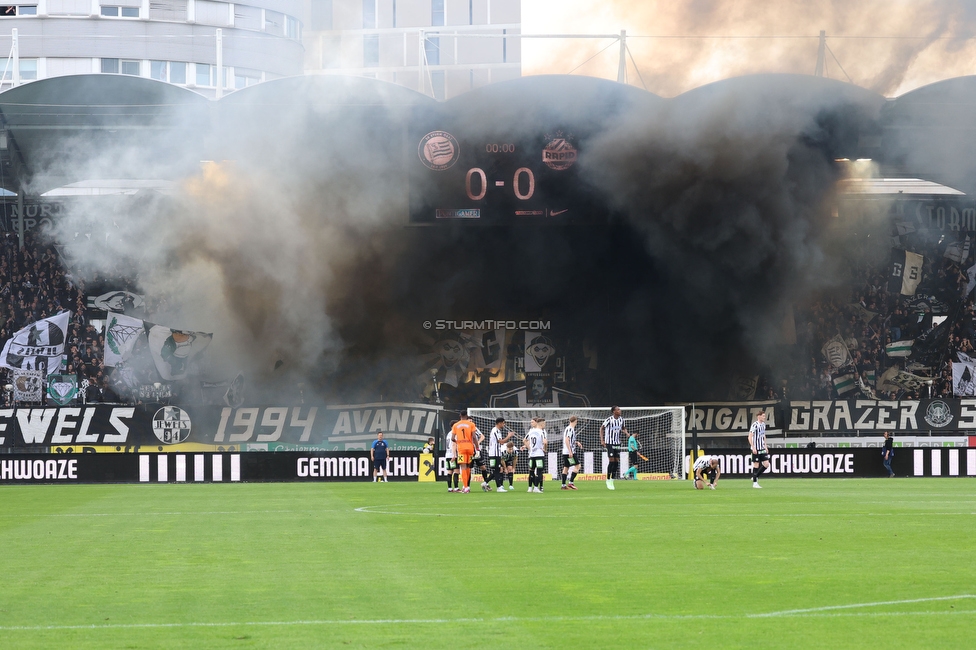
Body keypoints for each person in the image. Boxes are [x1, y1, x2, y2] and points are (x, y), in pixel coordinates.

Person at [452, 410, 479, 493]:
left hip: (461, 448)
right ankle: (467, 486)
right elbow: (474, 437)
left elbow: (452, 438)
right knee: (468, 466)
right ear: (467, 416)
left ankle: (465, 487)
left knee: (463, 466)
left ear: (460, 415)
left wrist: (458, 442)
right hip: (470, 448)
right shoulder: (471, 424)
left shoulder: (455, 425)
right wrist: (477, 447)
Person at [600, 406, 627, 490]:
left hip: (617, 443)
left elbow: (623, 428)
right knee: (611, 461)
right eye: (618, 409)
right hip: (609, 443)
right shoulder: (609, 420)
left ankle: (612, 480)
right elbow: (601, 428)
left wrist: (626, 433)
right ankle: (607, 479)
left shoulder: (621, 419)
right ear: (614, 411)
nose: (620, 410)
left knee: (616, 462)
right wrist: (602, 440)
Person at [488, 417, 514, 492]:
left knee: (498, 469)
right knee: (497, 470)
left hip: (496, 453)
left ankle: (487, 483)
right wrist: (508, 436)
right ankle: (499, 487)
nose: (504, 424)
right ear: (499, 423)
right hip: (494, 453)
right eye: (503, 423)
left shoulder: (497, 430)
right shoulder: (495, 430)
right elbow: (501, 442)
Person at [524, 417, 547, 493]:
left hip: (532, 455)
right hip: (539, 454)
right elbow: (545, 442)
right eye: (544, 424)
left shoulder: (531, 431)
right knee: (539, 471)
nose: (545, 425)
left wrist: (530, 448)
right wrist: (545, 449)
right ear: (542, 424)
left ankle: (530, 487)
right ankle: (536, 487)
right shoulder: (542, 432)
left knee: (531, 471)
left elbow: (524, 440)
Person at [749, 410, 769, 488]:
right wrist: (753, 447)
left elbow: (763, 435)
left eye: (764, 416)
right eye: (763, 416)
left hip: (762, 448)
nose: (764, 417)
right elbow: (750, 436)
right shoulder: (755, 425)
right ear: (759, 416)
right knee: (756, 465)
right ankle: (755, 483)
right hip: (756, 448)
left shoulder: (763, 424)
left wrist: (766, 446)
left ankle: (755, 476)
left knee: (766, 464)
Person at [561, 415, 582, 490]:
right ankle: (571, 483)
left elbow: (569, 440)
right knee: (578, 466)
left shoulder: (569, 428)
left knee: (566, 467)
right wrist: (570, 451)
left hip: (565, 452)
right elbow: (567, 440)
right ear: (576, 421)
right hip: (569, 452)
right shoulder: (570, 429)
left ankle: (563, 485)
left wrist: (576, 442)